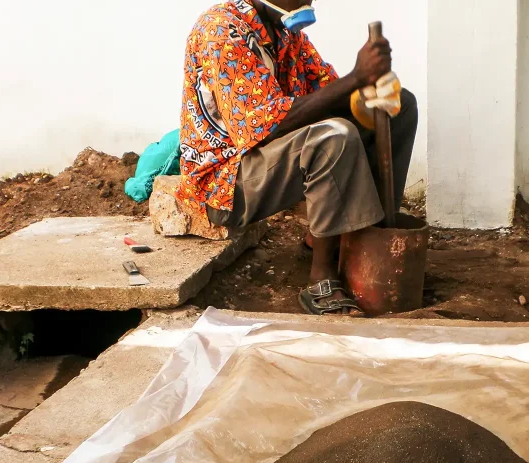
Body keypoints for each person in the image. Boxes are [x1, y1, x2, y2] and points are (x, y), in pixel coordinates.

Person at [178, 0, 418, 315]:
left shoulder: (285, 33)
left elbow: (327, 93)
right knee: (333, 137)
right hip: (227, 182)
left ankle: (370, 243)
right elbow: (265, 126)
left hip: (266, 159)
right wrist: (356, 78)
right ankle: (321, 280)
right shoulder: (221, 30)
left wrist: (370, 90)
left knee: (399, 106)